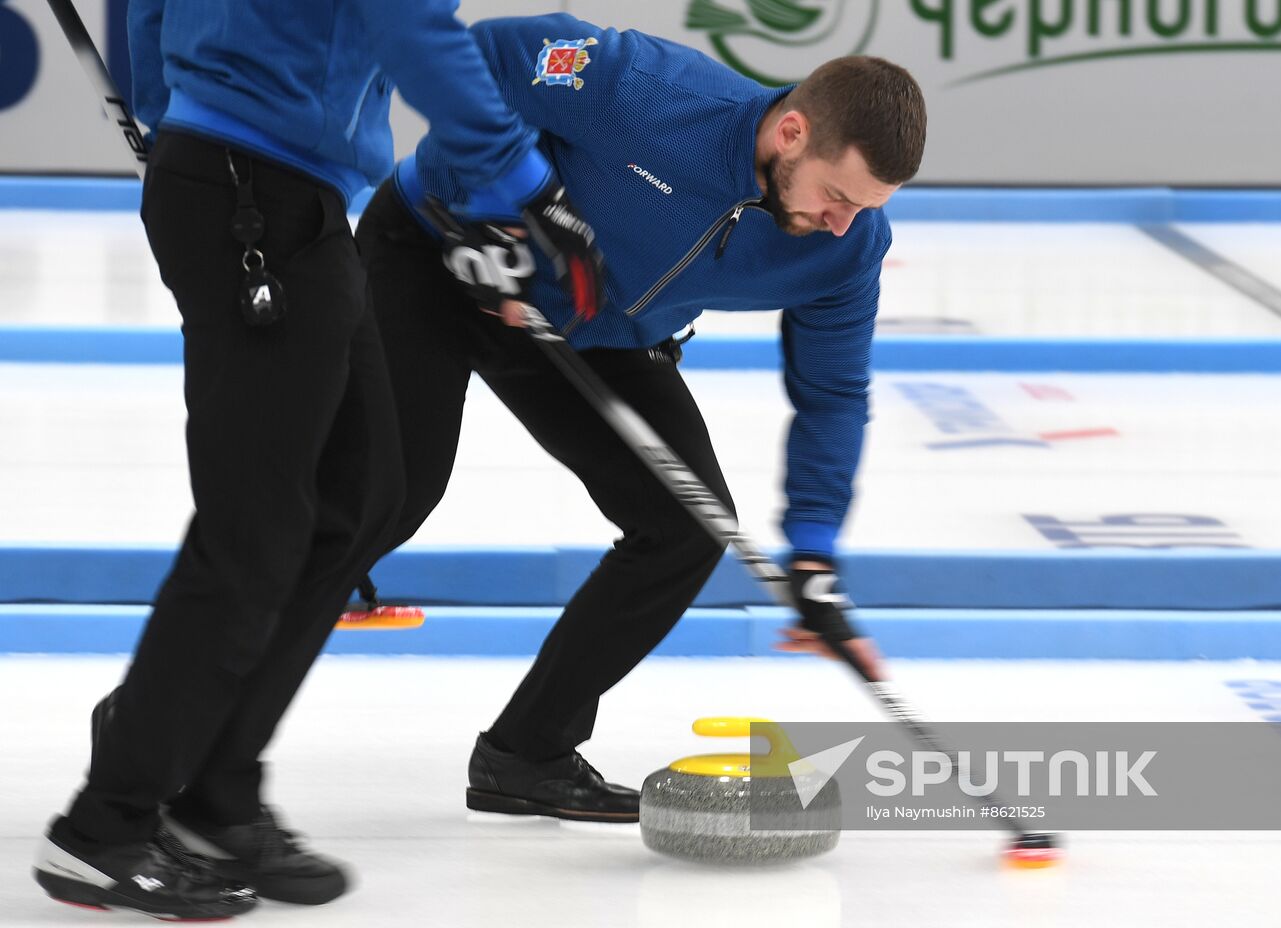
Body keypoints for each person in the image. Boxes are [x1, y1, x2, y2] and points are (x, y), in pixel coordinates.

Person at [33, 1, 602, 920]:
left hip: (279, 191)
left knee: (365, 494)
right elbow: (410, 23)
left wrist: (166, 100)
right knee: (254, 533)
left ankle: (214, 792)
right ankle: (108, 824)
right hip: (254, 188)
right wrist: (527, 186)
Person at [355, 13, 926, 824]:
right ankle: (178, 721)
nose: (843, 222)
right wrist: (493, 196)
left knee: (688, 528)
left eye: (864, 208)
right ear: (792, 132)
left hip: (597, 325)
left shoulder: (846, 246)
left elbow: (832, 393)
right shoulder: (649, 91)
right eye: (837, 196)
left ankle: (527, 755)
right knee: (390, 493)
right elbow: (482, 59)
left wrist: (815, 554)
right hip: (442, 251)